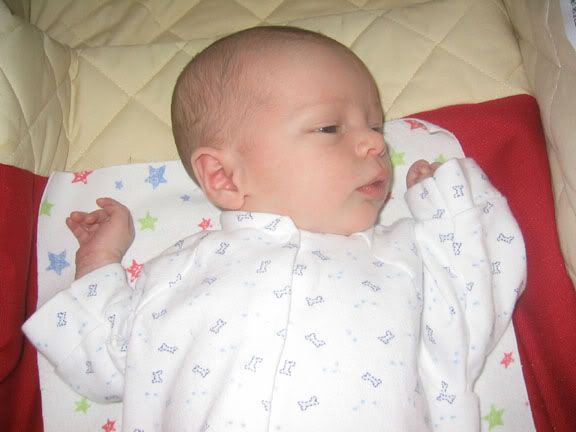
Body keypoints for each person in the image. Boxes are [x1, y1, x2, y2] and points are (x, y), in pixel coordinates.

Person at [23, 26, 525, 432]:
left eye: (375, 126)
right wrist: (99, 260)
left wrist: (451, 209)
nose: (375, 144)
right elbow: (99, 362)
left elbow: (474, 301)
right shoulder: (182, 269)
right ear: (224, 177)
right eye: (330, 127)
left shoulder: (404, 255)